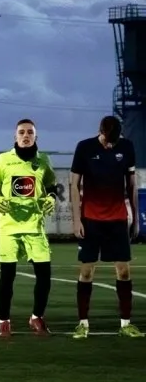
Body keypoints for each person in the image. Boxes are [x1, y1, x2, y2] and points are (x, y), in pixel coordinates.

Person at [69, 115, 142, 338]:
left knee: (124, 271)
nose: (110, 145)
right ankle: (83, 324)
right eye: (107, 141)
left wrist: (135, 218)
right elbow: (74, 184)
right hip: (90, 219)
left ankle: (125, 324)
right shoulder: (84, 147)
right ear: (100, 131)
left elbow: (132, 185)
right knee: (86, 272)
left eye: (114, 141)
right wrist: (76, 219)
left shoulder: (127, 147)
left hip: (118, 219)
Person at [0, 118, 57, 337]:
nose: (25, 135)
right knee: (7, 276)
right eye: (21, 132)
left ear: (36, 136)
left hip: (35, 226)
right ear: (15, 136)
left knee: (44, 275)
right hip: (8, 226)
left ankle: (37, 317)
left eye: (29, 132)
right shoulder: (3, 160)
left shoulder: (43, 160)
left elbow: (51, 185)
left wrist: (52, 198)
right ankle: (4, 321)